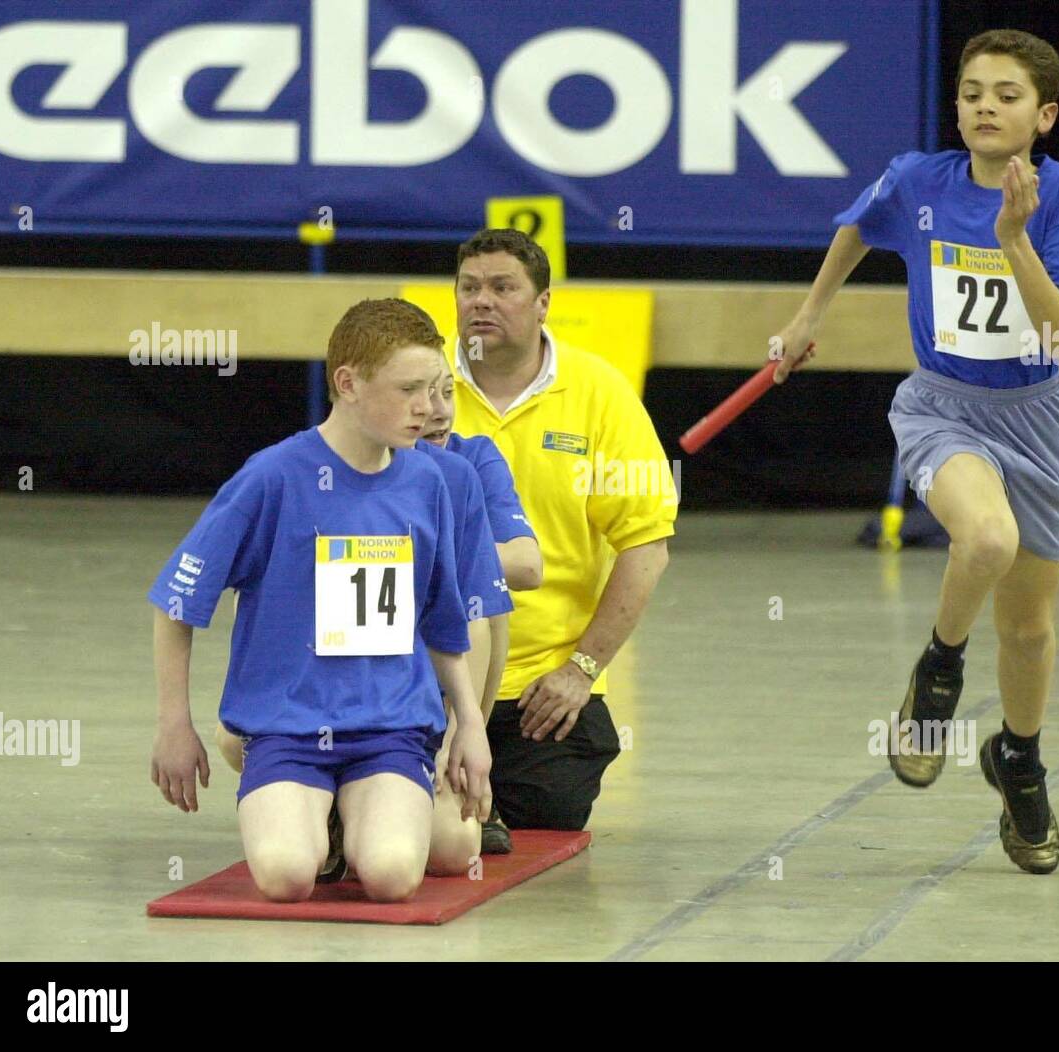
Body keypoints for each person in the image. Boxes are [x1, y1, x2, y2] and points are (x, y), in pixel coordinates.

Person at [769, 29, 1059, 874]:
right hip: (941, 408)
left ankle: (1019, 761)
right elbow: (857, 228)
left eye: (1005, 95)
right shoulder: (916, 179)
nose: (983, 108)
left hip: (1034, 418)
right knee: (987, 541)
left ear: (1044, 114)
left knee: (1032, 630)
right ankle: (938, 675)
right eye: (971, 92)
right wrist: (809, 315)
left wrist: (1014, 238)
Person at [149, 298, 491, 901]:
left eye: (435, 389)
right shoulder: (272, 477)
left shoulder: (428, 482)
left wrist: (470, 724)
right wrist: (174, 723)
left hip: (391, 729)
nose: (428, 408)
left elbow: (444, 622)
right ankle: (314, 813)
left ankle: (356, 816)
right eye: (408, 388)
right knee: (285, 878)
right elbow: (177, 602)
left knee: (391, 876)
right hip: (288, 728)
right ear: (348, 383)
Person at [449, 228, 677, 831]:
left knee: (545, 814)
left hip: (536, 682)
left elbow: (646, 547)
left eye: (503, 287)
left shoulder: (600, 393)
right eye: (469, 287)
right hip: (428, 669)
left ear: (544, 303)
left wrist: (581, 670)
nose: (481, 301)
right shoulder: (422, 387)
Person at [420, 353, 543, 853]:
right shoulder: (322, 468)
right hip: (350, 673)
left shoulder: (470, 461)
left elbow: (527, 566)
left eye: (447, 393)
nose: (438, 412)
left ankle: (459, 753)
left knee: (455, 849)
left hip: (444, 673)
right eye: (417, 393)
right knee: (234, 739)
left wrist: (430, 554)